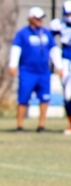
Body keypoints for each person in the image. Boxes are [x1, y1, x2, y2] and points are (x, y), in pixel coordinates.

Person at [9, 6, 62, 133]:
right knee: (23, 98)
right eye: (37, 18)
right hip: (27, 71)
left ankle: (41, 126)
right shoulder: (23, 34)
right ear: (31, 19)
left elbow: (54, 49)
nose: (40, 21)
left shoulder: (46, 33)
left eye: (41, 18)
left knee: (44, 98)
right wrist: (13, 64)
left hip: (44, 72)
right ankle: (20, 125)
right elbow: (16, 49)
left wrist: (58, 66)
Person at [50, 1, 71, 135]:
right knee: (68, 95)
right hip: (66, 60)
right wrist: (57, 64)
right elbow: (51, 44)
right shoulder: (58, 25)